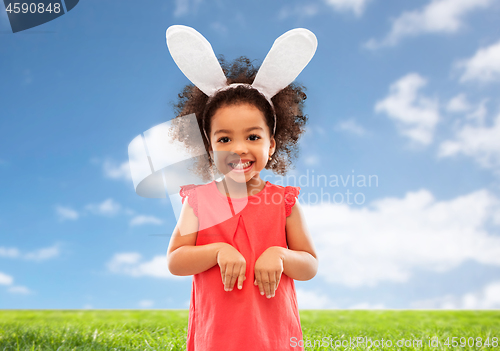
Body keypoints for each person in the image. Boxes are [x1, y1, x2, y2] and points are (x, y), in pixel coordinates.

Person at [165, 25, 318, 351]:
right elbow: (176, 260)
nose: (238, 149)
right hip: (216, 338)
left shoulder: (284, 203)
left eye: (252, 137)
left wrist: (279, 254)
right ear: (209, 146)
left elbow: (309, 264)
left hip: (274, 338)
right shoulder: (198, 201)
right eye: (224, 139)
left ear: (272, 144)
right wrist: (217, 251)